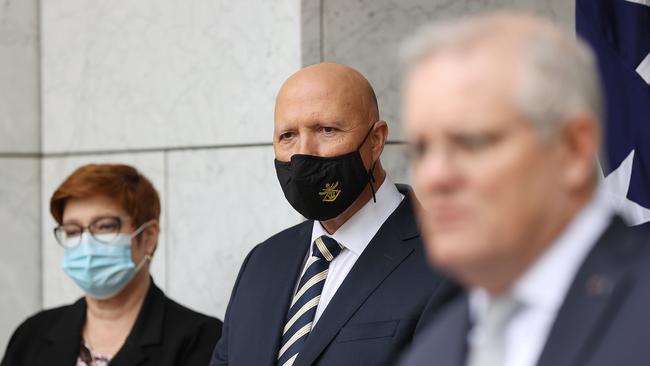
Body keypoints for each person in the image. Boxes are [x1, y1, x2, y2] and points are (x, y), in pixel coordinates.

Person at [398, 12, 650, 366]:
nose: (434, 177)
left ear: (574, 148)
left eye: (471, 142)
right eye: (421, 150)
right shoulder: (431, 351)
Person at [210, 62, 456, 366]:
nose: (304, 153)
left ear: (376, 141)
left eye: (327, 130)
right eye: (287, 136)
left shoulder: (450, 260)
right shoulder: (262, 262)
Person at [1, 164, 222, 366]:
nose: (86, 245)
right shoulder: (33, 334)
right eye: (72, 231)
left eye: (105, 226)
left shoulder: (200, 338)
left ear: (148, 237)